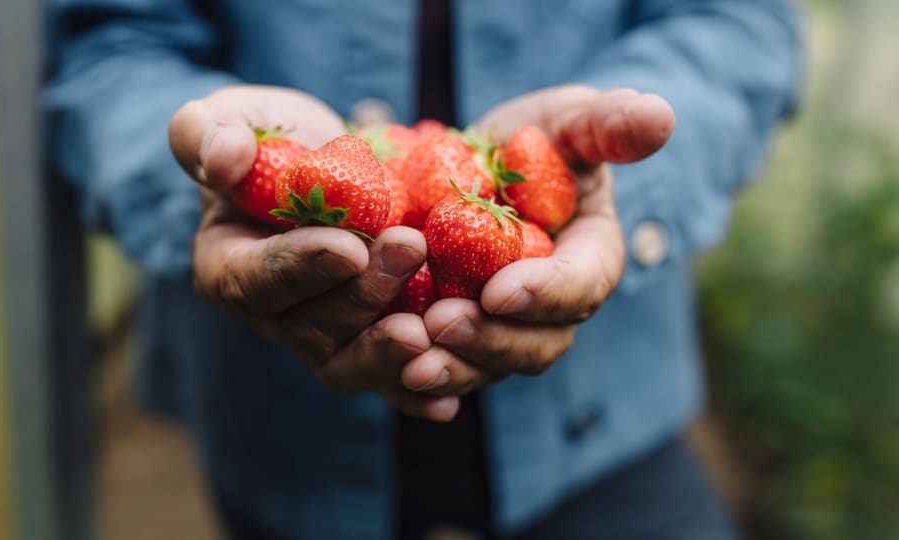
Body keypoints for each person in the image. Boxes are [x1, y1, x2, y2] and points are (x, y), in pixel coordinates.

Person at [45, 1, 802, 538]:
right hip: (279, 415)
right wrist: (214, 179)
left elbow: (737, 23)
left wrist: (616, 170)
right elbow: (109, 44)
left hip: (607, 411)